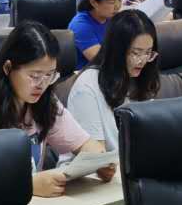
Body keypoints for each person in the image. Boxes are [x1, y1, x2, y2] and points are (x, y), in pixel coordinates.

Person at [0, 22, 115, 197]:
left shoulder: (45, 102)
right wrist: (26, 185)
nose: (42, 85)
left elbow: (85, 144)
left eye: (49, 75)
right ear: (8, 68)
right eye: (34, 76)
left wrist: (100, 162)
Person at [66, 10, 161, 151]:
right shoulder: (87, 87)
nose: (142, 61)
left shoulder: (140, 78)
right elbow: (95, 157)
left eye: (148, 53)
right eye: (135, 53)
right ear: (117, 50)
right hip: (98, 164)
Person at [68, 0, 126, 65]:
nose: (118, 6)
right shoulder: (80, 26)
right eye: (112, 1)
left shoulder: (112, 17)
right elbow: (103, 61)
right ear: (93, 2)